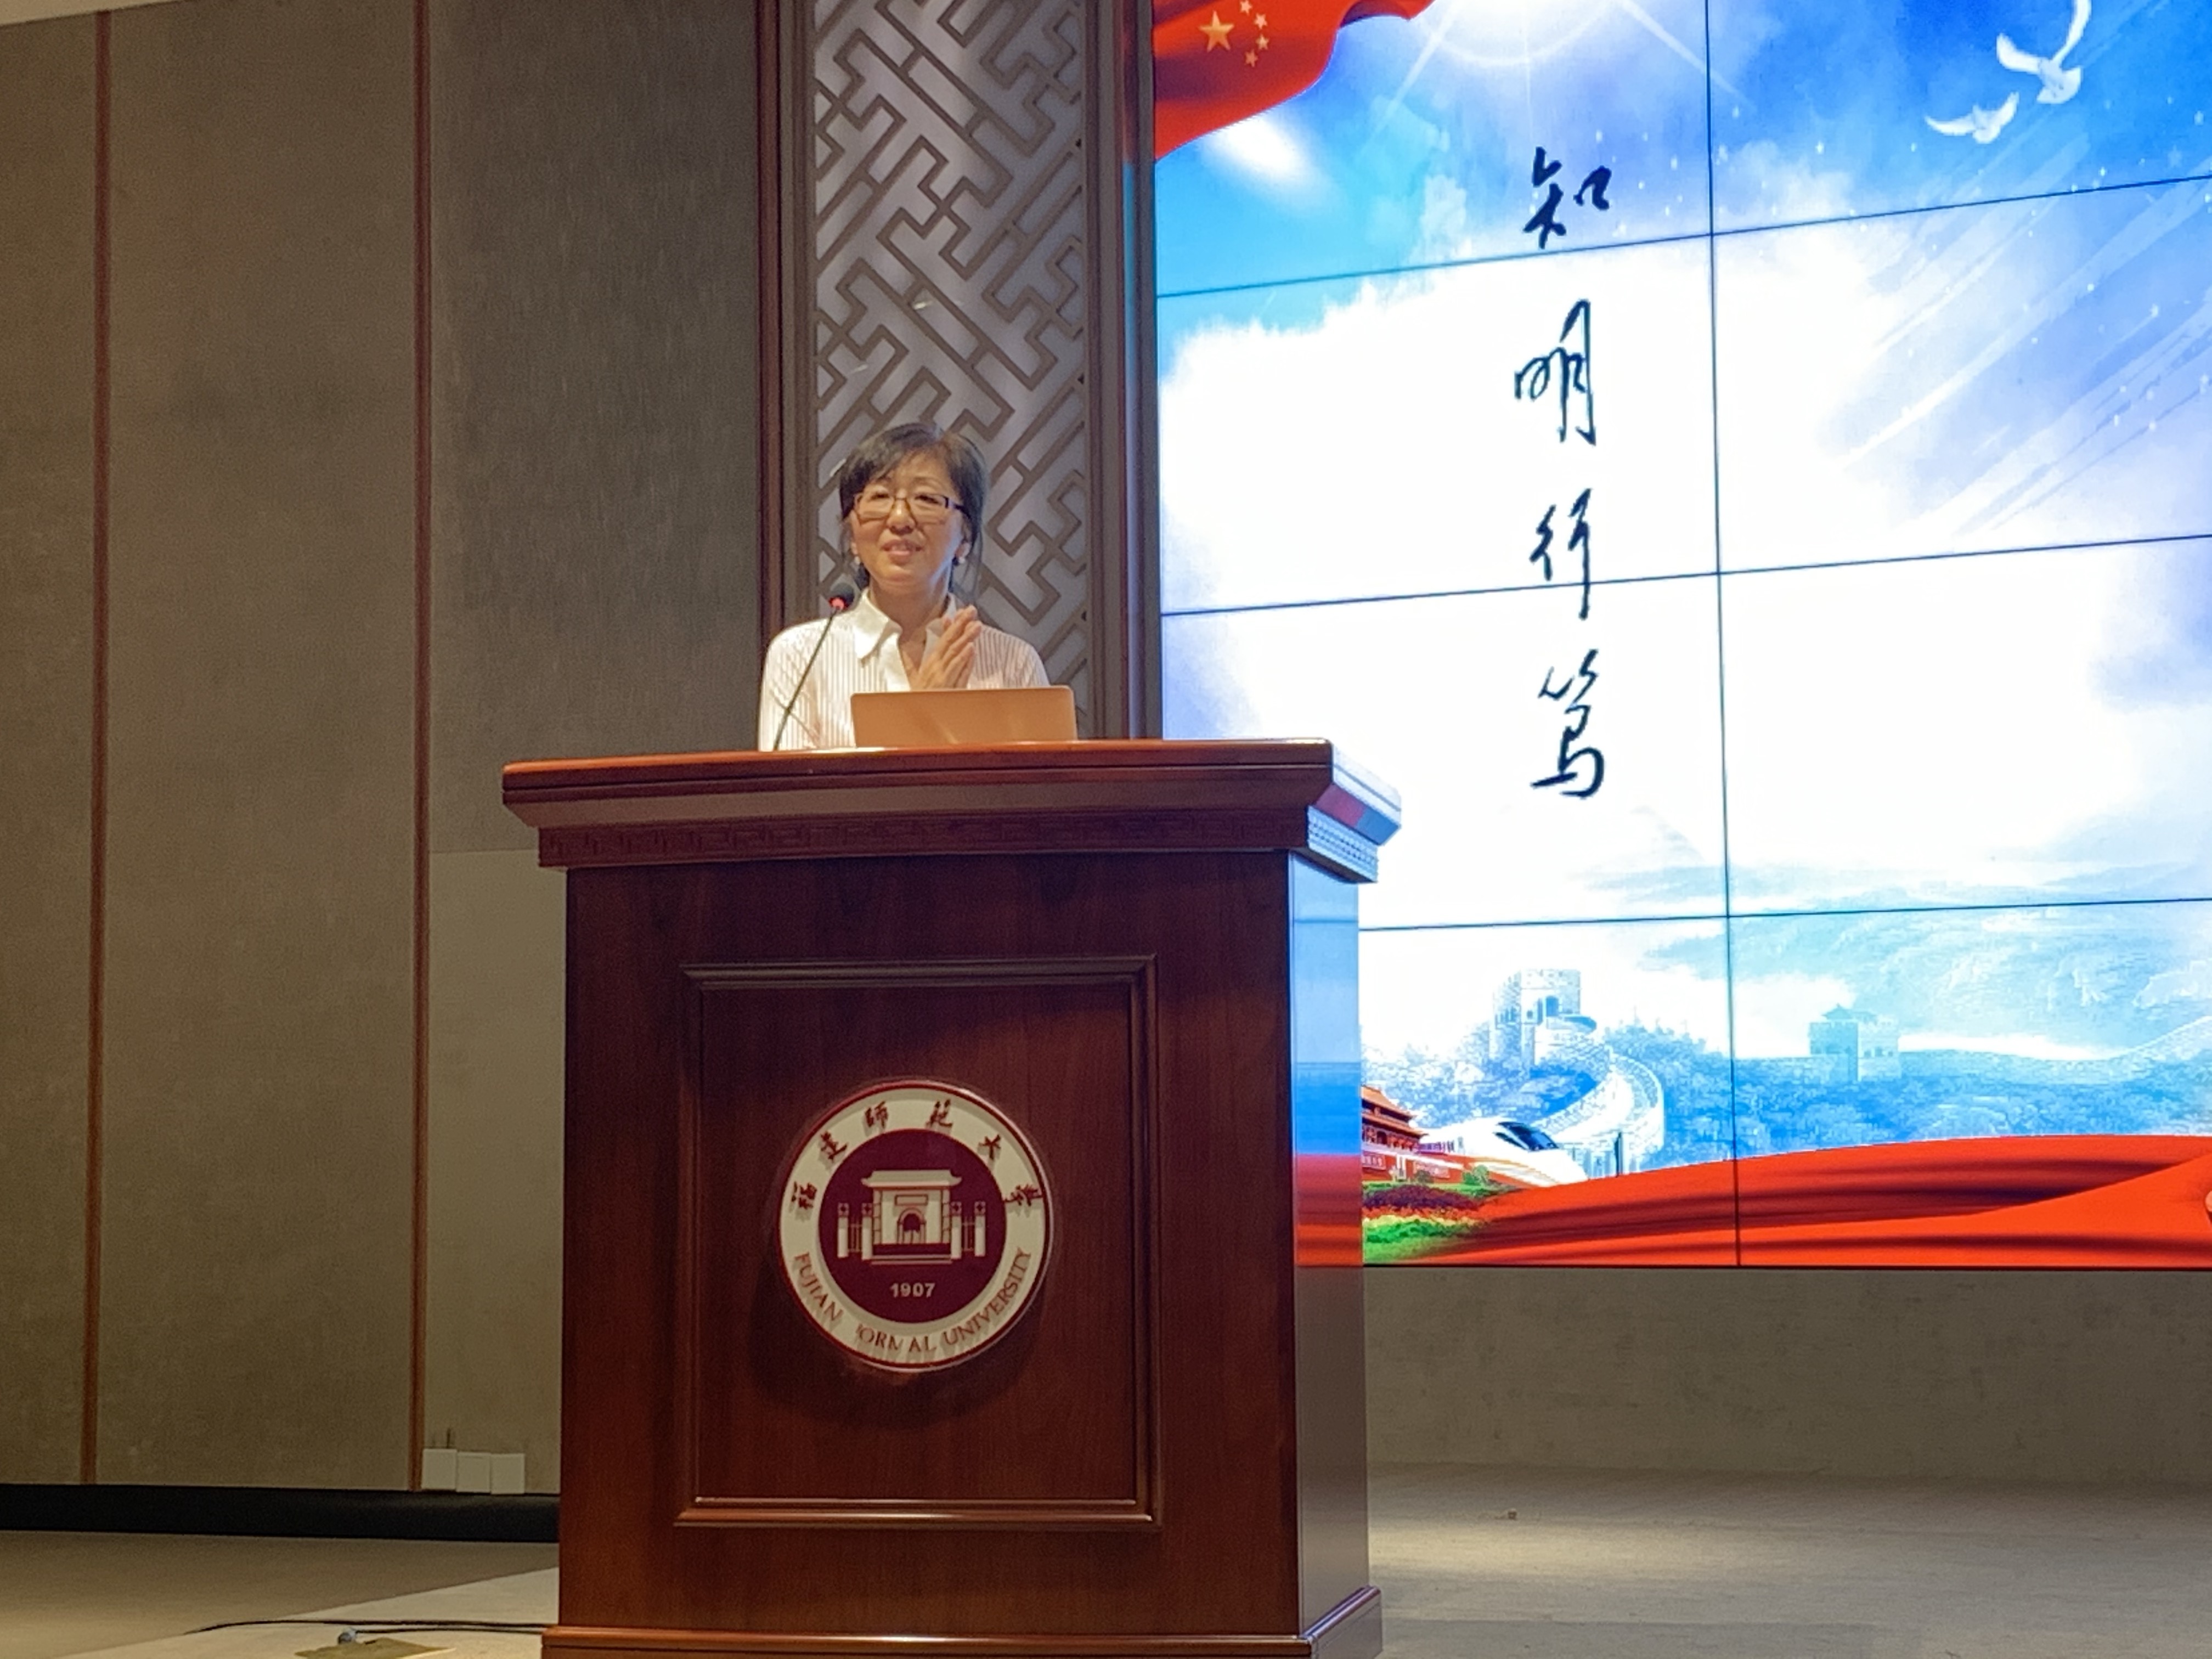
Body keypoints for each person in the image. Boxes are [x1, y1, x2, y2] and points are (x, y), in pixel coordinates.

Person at [758, 420, 1049, 751]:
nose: (899, 519)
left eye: (926, 499)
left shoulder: (1014, 665)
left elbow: (1042, 785)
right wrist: (924, 713)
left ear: (965, 537)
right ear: (852, 534)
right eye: (880, 497)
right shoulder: (801, 658)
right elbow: (791, 786)